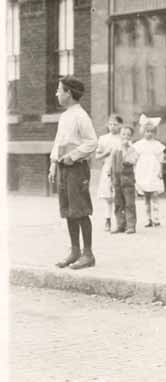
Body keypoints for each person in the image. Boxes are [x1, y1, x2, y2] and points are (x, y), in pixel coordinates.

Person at [49, 76, 98, 270]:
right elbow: (58, 143)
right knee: (69, 210)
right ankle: (75, 250)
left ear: (69, 93)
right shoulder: (65, 116)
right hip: (64, 168)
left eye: (59, 90)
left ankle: (88, 253)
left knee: (80, 209)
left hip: (77, 169)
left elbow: (92, 142)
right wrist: (54, 163)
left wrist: (74, 156)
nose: (57, 94)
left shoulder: (80, 116)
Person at [134, 119, 165, 228]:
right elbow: (135, 159)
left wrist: (160, 171)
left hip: (153, 170)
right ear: (143, 132)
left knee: (155, 194)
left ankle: (156, 218)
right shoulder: (139, 145)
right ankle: (148, 218)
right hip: (143, 170)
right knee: (146, 196)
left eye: (152, 131)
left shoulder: (157, 145)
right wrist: (135, 172)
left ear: (155, 133)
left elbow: (160, 159)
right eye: (147, 131)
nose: (149, 134)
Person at [95, 114, 123, 232]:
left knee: (119, 195)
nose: (112, 126)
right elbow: (97, 156)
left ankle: (120, 221)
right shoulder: (103, 138)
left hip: (120, 169)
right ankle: (108, 219)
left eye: (115, 124)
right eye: (110, 124)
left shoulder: (123, 138)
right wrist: (105, 154)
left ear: (120, 125)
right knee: (108, 197)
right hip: (107, 168)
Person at [108, 125, 138, 234]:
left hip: (127, 178)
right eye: (123, 134)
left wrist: (126, 149)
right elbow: (111, 163)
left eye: (128, 135)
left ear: (131, 137)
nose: (125, 136)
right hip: (117, 178)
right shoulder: (115, 149)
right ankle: (120, 224)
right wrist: (110, 176)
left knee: (129, 203)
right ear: (120, 135)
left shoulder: (132, 149)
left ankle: (131, 225)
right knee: (118, 202)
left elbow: (132, 160)